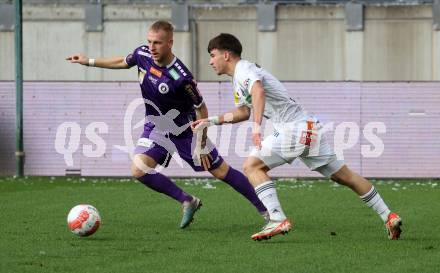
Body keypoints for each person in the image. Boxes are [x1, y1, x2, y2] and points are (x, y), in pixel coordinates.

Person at [192, 33, 402, 240]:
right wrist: (211, 121)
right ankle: (389, 216)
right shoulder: (239, 78)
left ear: (226, 55)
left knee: (252, 166)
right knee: (344, 176)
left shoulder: (243, 69)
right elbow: (243, 112)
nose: (210, 61)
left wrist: (256, 128)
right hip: (308, 128)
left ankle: (277, 219)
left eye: (212, 55)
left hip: (292, 128)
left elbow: (258, 92)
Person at [66, 21, 267, 229]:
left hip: (185, 130)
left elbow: (201, 109)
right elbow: (122, 61)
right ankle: (187, 200)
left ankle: (265, 209)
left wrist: (201, 141)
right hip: (156, 127)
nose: (152, 47)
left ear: (170, 43)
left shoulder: (181, 77)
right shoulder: (143, 55)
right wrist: (87, 61)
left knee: (220, 171)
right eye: (149, 42)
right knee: (139, 169)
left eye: (157, 43)